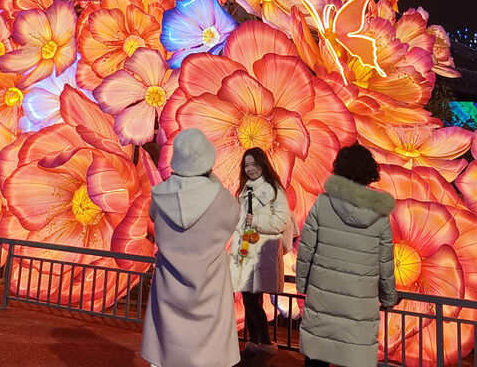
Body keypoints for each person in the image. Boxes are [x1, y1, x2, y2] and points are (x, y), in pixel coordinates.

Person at [141, 128, 241, 367]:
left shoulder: (160, 194)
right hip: (210, 290)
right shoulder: (221, 197)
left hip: (169, 286)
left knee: (166, 353)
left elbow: (154, 217)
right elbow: (234, 218)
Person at [295, 143, 397, 367]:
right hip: (360, 303)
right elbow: (385, 262)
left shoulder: (323, 203)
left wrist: (301, 284)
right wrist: (389, 298)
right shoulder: (379, 214)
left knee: (317, 356)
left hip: (324, 296)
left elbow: (306, 248)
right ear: (369, 173)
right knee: (355, 356)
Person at [229, 147, 291, 357]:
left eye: (254, 164)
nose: (250, 169)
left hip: (262, 252)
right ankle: (257, 340)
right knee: (249, 298)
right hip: (246, 251)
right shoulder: (244, 190)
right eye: (246, 165)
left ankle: (263, 340)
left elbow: (281, 221)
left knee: (253, 298)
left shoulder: (274, 191)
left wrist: (255, 221)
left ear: (263, 164)